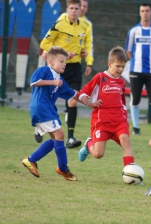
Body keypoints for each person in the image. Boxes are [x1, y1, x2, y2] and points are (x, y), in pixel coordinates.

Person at [22, 47, 100, 181]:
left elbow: (74, 94)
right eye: (61, 61)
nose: (64, 64)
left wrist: (90, 103)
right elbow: (33, 82)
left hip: (48, 109)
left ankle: (31, 160)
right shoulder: (44, 70)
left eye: (65, 61)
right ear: (50, 62)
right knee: (60, 135)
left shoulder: (60, 80)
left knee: (55, 140)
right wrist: (53, 82)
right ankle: (63, 169)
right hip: (41, 108)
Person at [40, 0, 92, 149]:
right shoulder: (59, 24)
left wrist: (85, 54)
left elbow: (85, 45)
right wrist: (62, 53)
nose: (75, 11)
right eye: (72, 8)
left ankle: (70, 138)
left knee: (73, 100)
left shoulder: (85, 26)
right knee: (49, 100)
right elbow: (44, 44)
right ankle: (39, 127)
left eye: (77, 8)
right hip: (58, 68)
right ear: (67, 9)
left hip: (75, 68)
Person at [77, 46, 135, 167]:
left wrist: (124, 115)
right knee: (98, 154)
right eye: (117, 66)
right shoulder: (99, 77)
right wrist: (85, 98)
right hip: (102, 121)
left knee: (126, 141)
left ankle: (131, 173)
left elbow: (121, 101)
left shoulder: (121, 82)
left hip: (118, 120)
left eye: (123, 67)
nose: (120, 69)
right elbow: (84, 91)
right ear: (109, 64)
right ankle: (89, 143)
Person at [125, 3, 151, 136]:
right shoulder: (133, 31)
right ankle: (136, 128)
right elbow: (129, 50)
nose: (145, 13)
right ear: (139, 13)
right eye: (142, 11)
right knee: (135, 99)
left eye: (147, 11)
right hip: (136, 70)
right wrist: (136, 60)